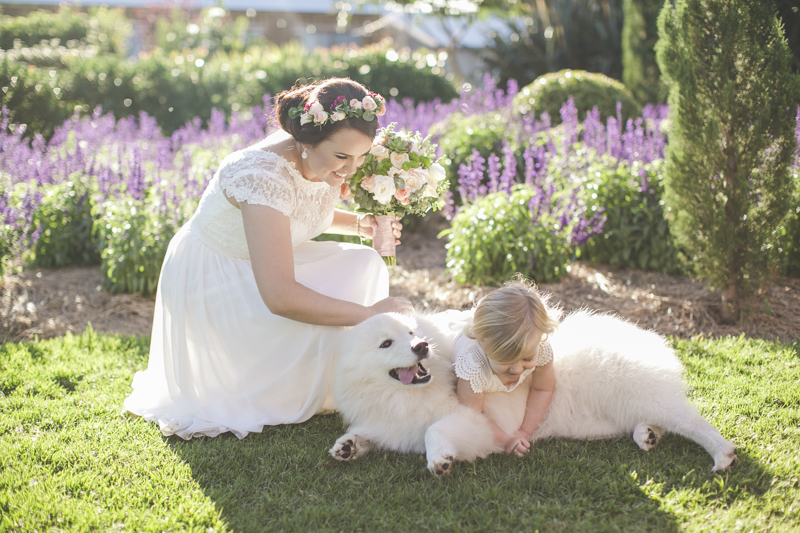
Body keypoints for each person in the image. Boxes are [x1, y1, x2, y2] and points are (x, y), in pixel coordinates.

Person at [124, 77, 413, 439]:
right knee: (322, 307)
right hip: (217, 279)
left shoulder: (319, 159)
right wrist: (371, 315)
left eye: (361, 157)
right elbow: (280, 298)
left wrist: (360, 224)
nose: (351, 170)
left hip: (261, 259)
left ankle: (342, 375)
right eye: (342, 157)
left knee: (363, 264)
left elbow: (303, 208)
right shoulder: (262, 176)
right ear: (306, 141)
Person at [454, 279, 559, 457]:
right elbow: (472, 413)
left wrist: (524, 431)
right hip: (456, 337)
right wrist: (506, 440)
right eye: (506, 361)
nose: (517, 370)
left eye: (526, 359)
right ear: (484, 344)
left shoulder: (540, 348)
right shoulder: (473, 364)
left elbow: (543, 388)